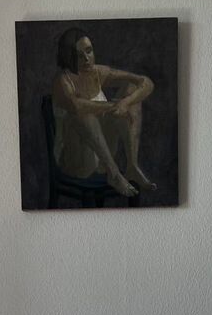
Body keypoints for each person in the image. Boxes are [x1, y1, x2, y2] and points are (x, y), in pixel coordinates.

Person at [51, 27, 157, 197]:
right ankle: (114, 174)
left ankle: (132, 166)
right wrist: (114, 106)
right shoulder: (62, 81)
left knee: (131, 91)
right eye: (79, 55)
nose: (87, 59)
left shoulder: (98, 72)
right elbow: (77, 106)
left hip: (103, 159)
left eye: (89, 51)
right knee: (83, 114)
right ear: (67, 57)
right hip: (76, 162)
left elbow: (146, 82)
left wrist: (125, 102)